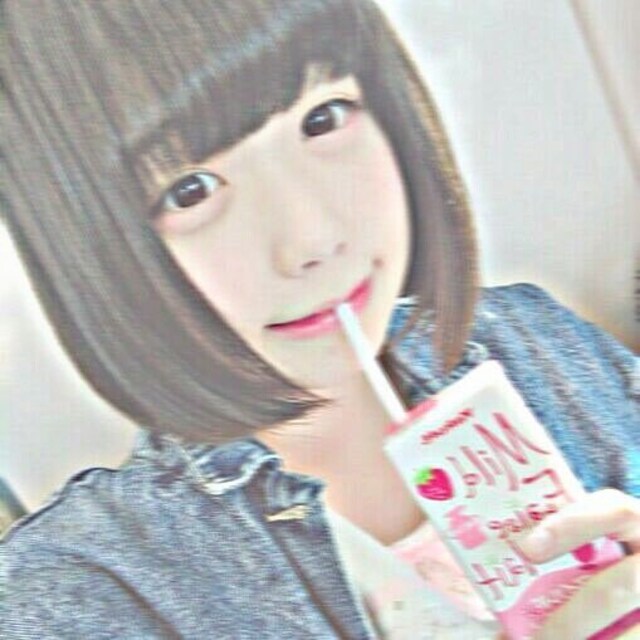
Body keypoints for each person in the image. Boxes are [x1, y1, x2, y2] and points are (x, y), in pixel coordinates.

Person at [1, 1, 638, 638]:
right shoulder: (80, 592)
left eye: (323, 118)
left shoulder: (538, 343)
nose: (313, 238)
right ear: (85, 252)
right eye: (190, 190)